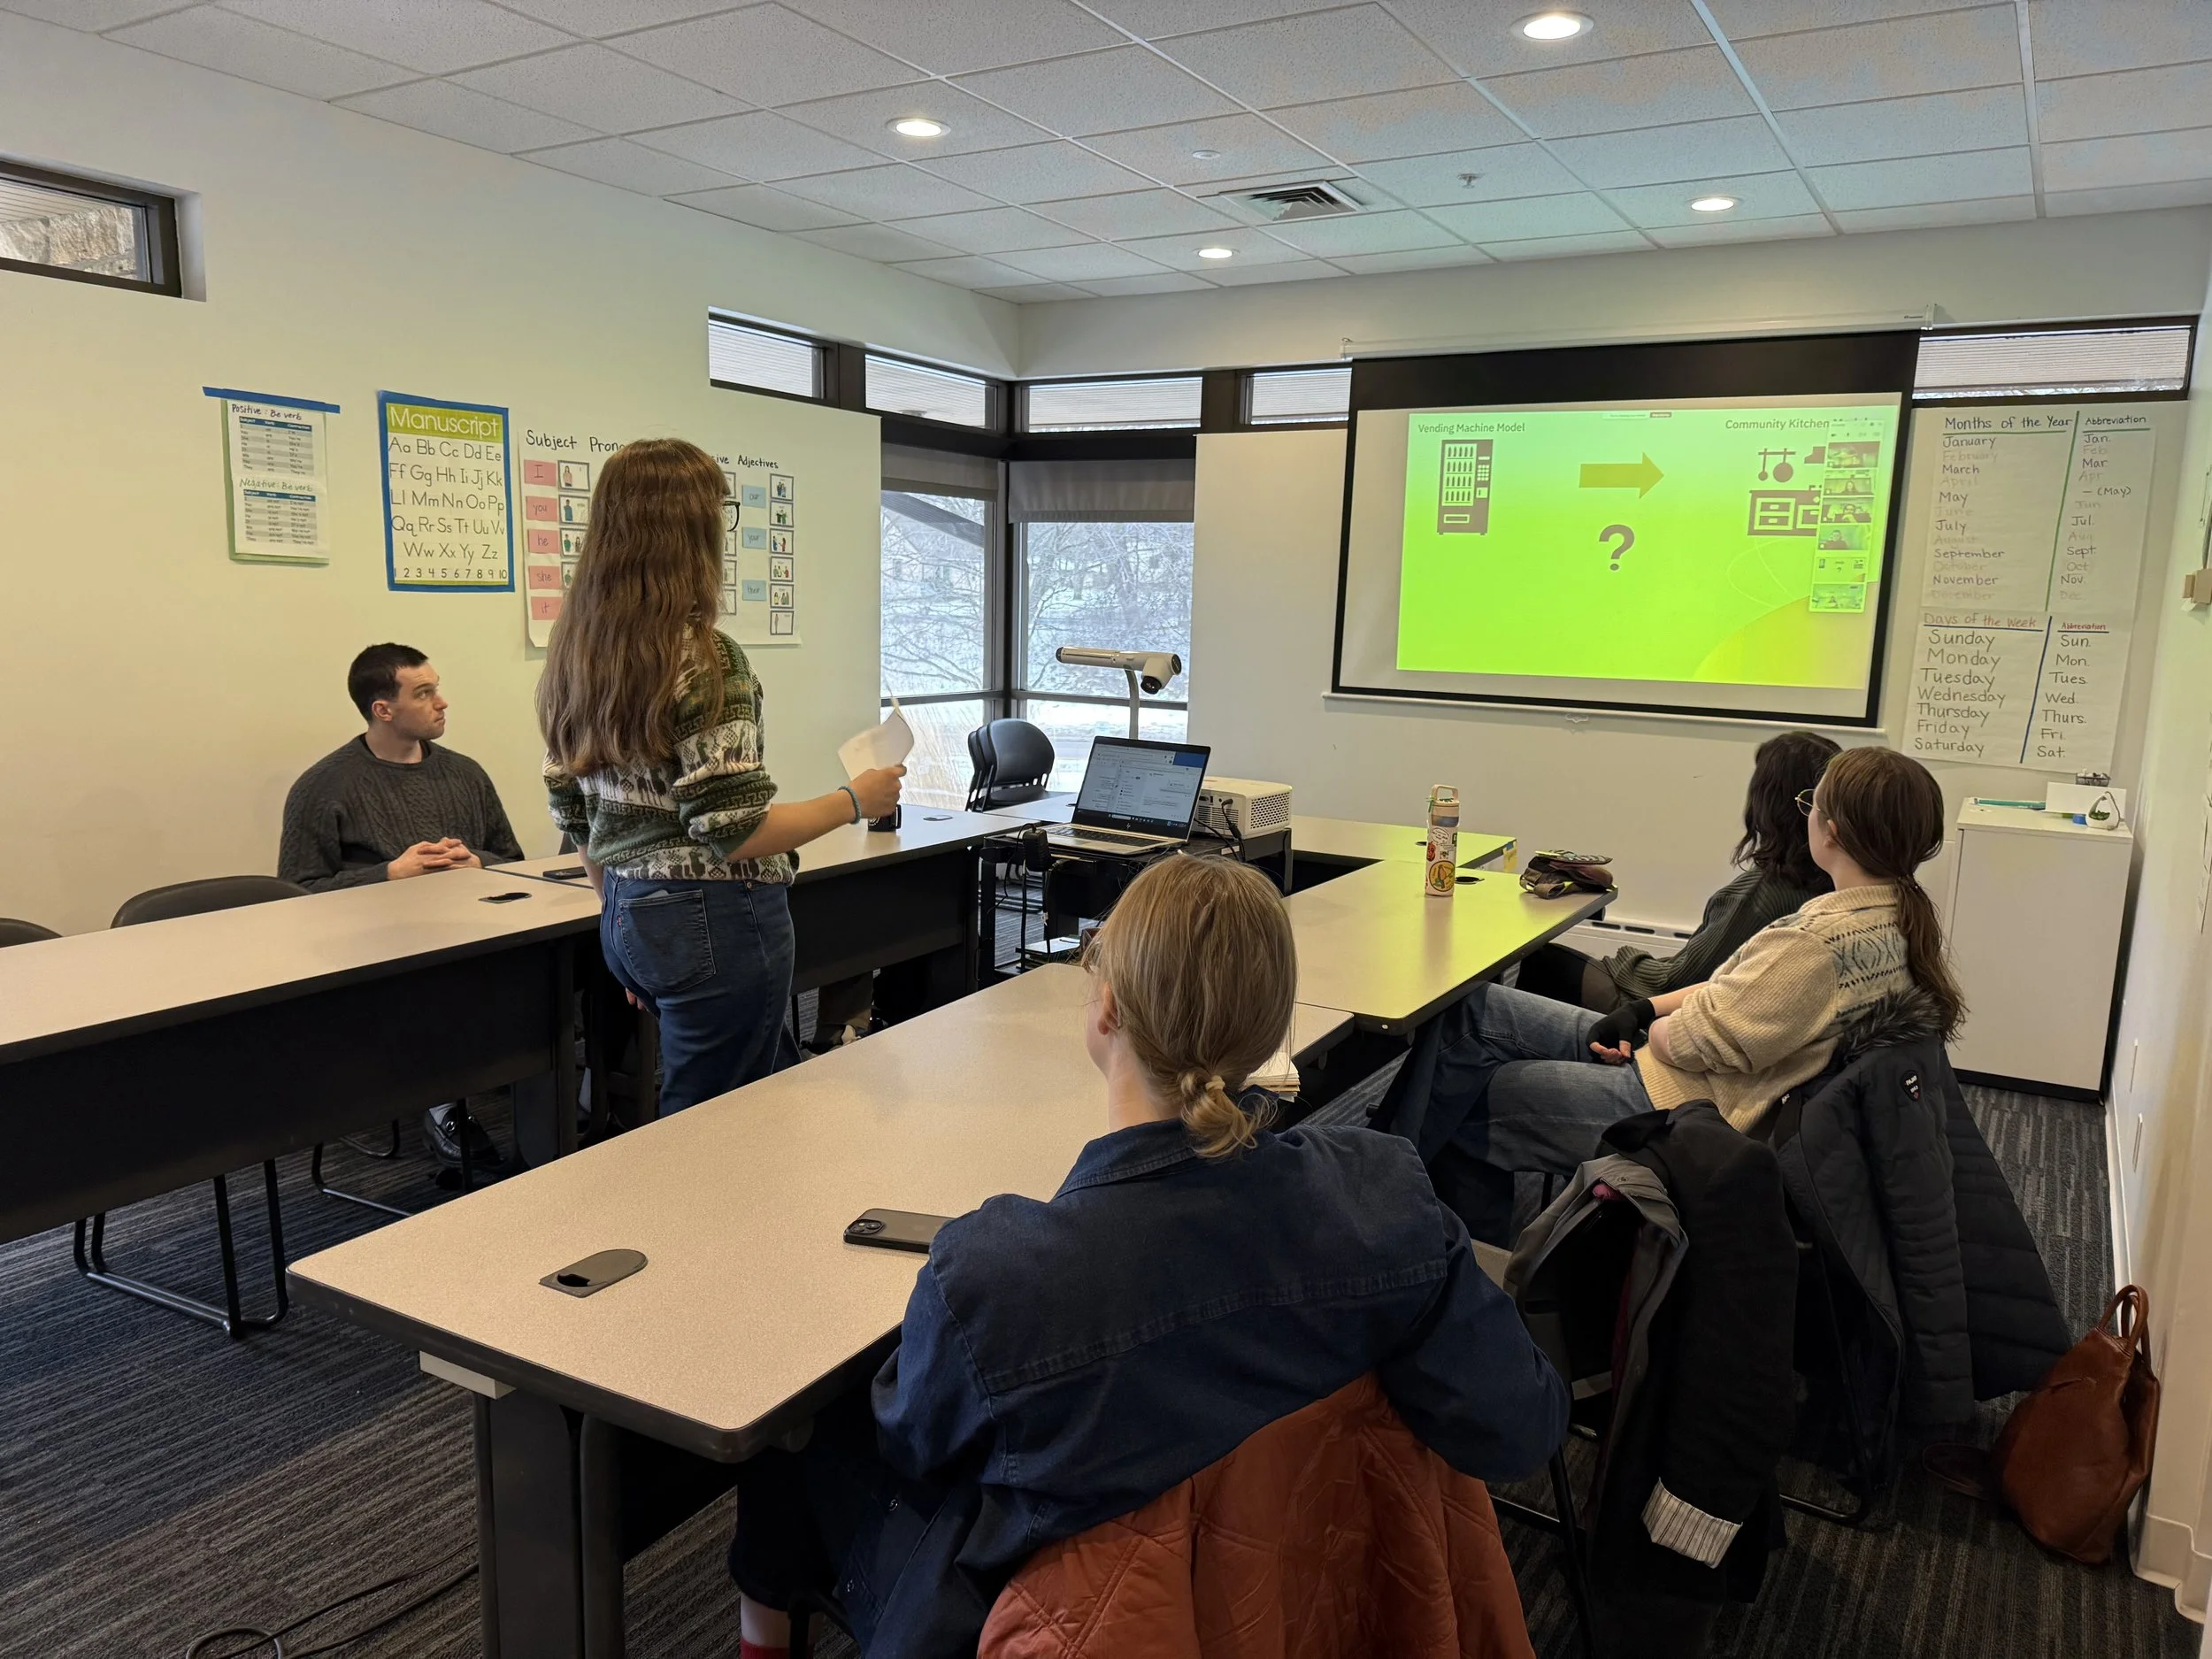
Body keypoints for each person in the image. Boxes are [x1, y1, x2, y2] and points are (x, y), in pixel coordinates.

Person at [726, 854, 1568, 1659]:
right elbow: (1521, 1425)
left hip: (1063, 1617)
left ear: (1107, 1010)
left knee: (793, 1439)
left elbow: (915, 1442)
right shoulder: (1387, 1196)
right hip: (1331, 1609)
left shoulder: (993, 1276)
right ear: (1274, 1029)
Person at [1376, 746, 1963, 1246]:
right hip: (1688, 1074)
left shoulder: (1816, 944)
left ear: (1830, 830)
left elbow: (1690, 1041)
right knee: (1476, 1009)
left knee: (1465, 1096)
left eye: (1814, 806)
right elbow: (1731, 991)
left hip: (1680, 1105)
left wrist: (1648, 1029)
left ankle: (1389, 1206)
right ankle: (1376, 1162)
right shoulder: (1893, 920)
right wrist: (1642, 1009)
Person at [538, 438, 902, 1113]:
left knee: (765, 1091)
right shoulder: (704, 657)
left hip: (627, 909)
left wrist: (628, 923)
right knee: (709, 1126)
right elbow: (735, 830)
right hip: (715, 918)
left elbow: (575, 811)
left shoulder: (578, 653)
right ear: (693, 530)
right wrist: (856, 799)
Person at [280, 641, 527, 1172]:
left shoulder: (465, 773)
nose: (442, 702)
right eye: (425, 692)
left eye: (436, 688)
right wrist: (388, 875)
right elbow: (294, 895)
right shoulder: (323, 787)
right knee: (442, 988)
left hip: (475, 934)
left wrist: (475, 862)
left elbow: (513, 859)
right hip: (381, 955)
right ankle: (445, 1104)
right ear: (383, 709)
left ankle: (561, 1097)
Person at [1514, 730, 1840, 1012]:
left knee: (1538, 962)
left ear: (1768, 802)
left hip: (1655, 1013)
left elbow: (1678, 982)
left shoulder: (1759, 895)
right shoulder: (1830, 882)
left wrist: (1629, 958)